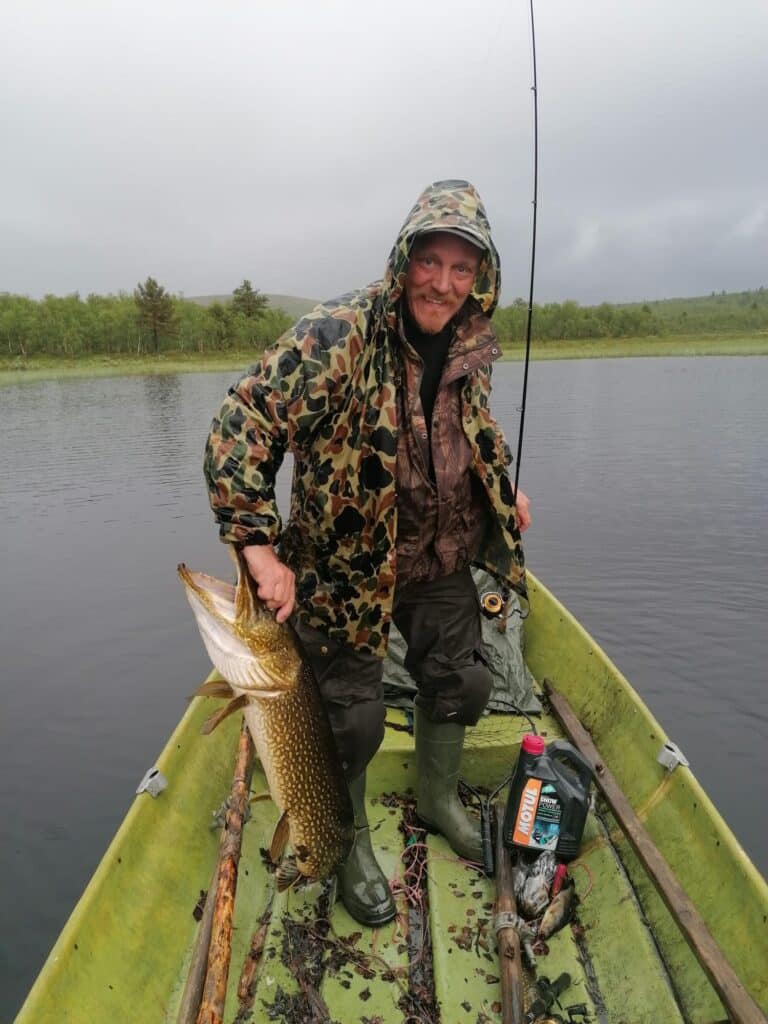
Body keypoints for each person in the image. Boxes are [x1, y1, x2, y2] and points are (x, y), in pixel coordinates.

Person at [204, 179, 531, 926]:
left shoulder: (471, 342)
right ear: (404, 256)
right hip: (342, 572)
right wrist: (258, 549)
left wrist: (500, 490)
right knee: (347, 723)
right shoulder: (338, 335)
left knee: (463, 683)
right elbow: (240, 423)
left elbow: (470, 432)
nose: (442, 283)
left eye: (461, 269)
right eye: (430, 261)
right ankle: (347, 840)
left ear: (479, 278)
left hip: (437, 557)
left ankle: (439, 798)